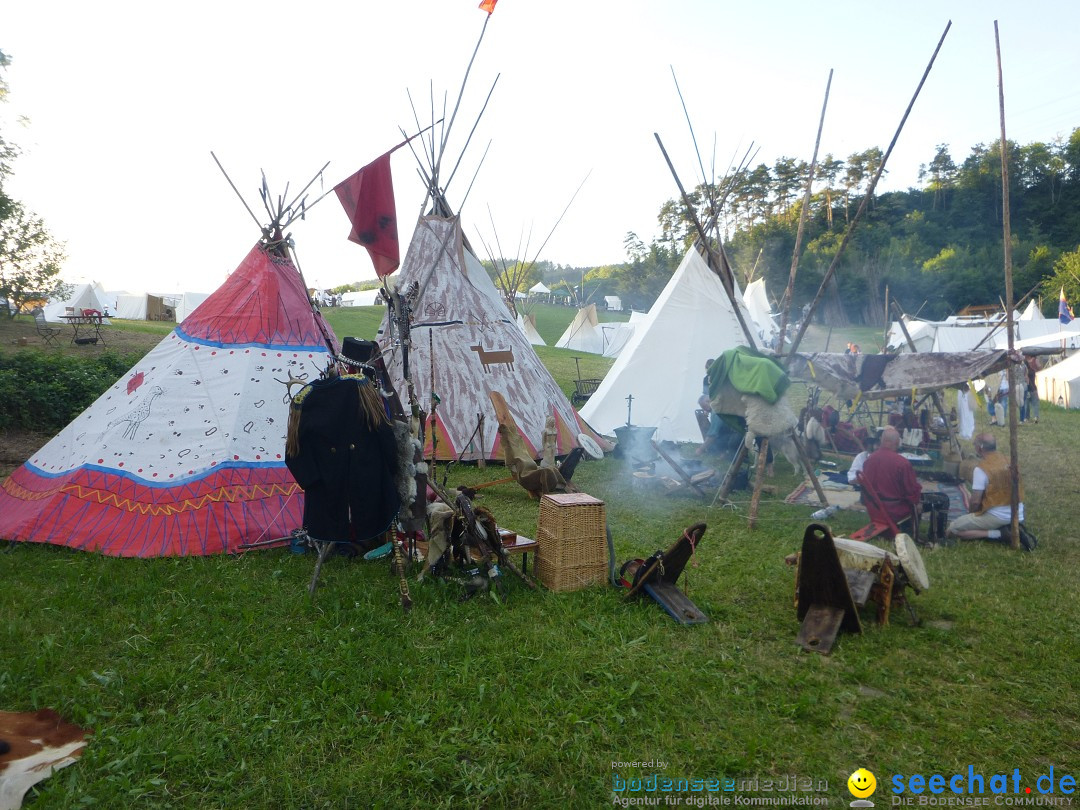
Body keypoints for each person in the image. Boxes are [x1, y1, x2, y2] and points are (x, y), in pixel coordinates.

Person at [945, 432, 1036, 550]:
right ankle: (1007, 528)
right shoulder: (1009, 460)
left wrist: (971, 515)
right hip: (1018, 513)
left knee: (953, 529)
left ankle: (1000, 534)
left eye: (975, 444)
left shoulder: (981, 469)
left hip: (997, 516)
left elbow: (975, 502)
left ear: (980, 447)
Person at [860, 426, 922, 530]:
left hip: (874, 509)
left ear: (881, 441)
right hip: (894, 511)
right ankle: (916, 533)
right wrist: (918, 500)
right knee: (925, 502)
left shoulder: (869, 460)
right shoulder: (902, 463)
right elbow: (912, 492)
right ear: (897, 443)